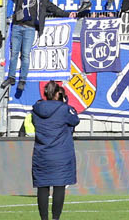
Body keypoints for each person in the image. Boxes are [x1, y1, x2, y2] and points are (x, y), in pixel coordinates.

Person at [6, 0, 65, 98]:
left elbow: (54, 8)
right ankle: (11, 77)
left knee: (26, 55)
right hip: (17, 27)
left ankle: (22, 80)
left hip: (30, 29)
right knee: (14, 53)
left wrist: (68, 14)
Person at [31, 80, 79, 220]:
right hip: (61, 154)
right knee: (59, 185)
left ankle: (44, 218)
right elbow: (75, 120)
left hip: (42, 153)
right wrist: (65, 103)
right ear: (58, 93)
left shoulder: (36, 109)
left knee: (42, 186)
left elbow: (35, 123)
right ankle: (56, 218)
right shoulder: (64, 109)